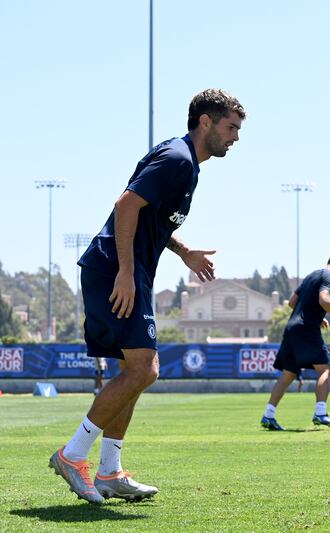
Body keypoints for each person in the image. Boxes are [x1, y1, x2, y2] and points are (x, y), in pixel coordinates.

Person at [48, 89, 246, 504]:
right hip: (115, 271)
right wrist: (124, 271)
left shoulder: (187, 164)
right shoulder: (177, 158)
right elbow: (125, 206)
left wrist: (183, 251)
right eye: (231, 127)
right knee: (145, 370)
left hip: (123, 271)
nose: (236, 137)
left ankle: (109, 471)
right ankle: (72, 455)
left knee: (134, 371)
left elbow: (150, 217)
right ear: (205, 122)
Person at [261, 252, 330, 431]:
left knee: (288, 374)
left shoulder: (311, 276)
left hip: (292, 327)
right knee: (324, 368)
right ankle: (321, 413)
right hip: (306, 329)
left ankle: (268, 415)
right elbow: (324, 300)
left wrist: (317, 316)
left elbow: (292, 302)